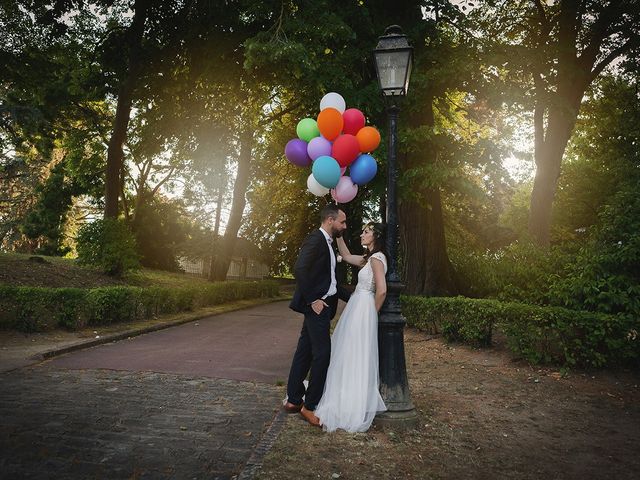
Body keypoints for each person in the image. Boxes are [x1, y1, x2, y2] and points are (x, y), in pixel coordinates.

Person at [313, 222, 388, 432]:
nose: (362, 234)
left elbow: (381, 290)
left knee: (355, 352)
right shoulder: (367, 259)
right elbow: (345, 256)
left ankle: (351, 400)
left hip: (364, 309)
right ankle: (346, 391)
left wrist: (371, 315)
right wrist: (338, 234)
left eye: (366, 232)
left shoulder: (377, 259)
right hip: (358, 307)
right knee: (349, 351)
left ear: (376, 236)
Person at [283, 204, 350, 427]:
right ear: (330, 220)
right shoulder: (315, 239)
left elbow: (331, 283)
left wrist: (356, 297)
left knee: (304, 351)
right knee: (322, 355)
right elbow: (300, 268)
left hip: (323, 306)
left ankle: (293, 400)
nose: (344, 226)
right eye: (342, 222)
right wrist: (313, 300)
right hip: (317, 307)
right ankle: (309, 406)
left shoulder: (328, 244)